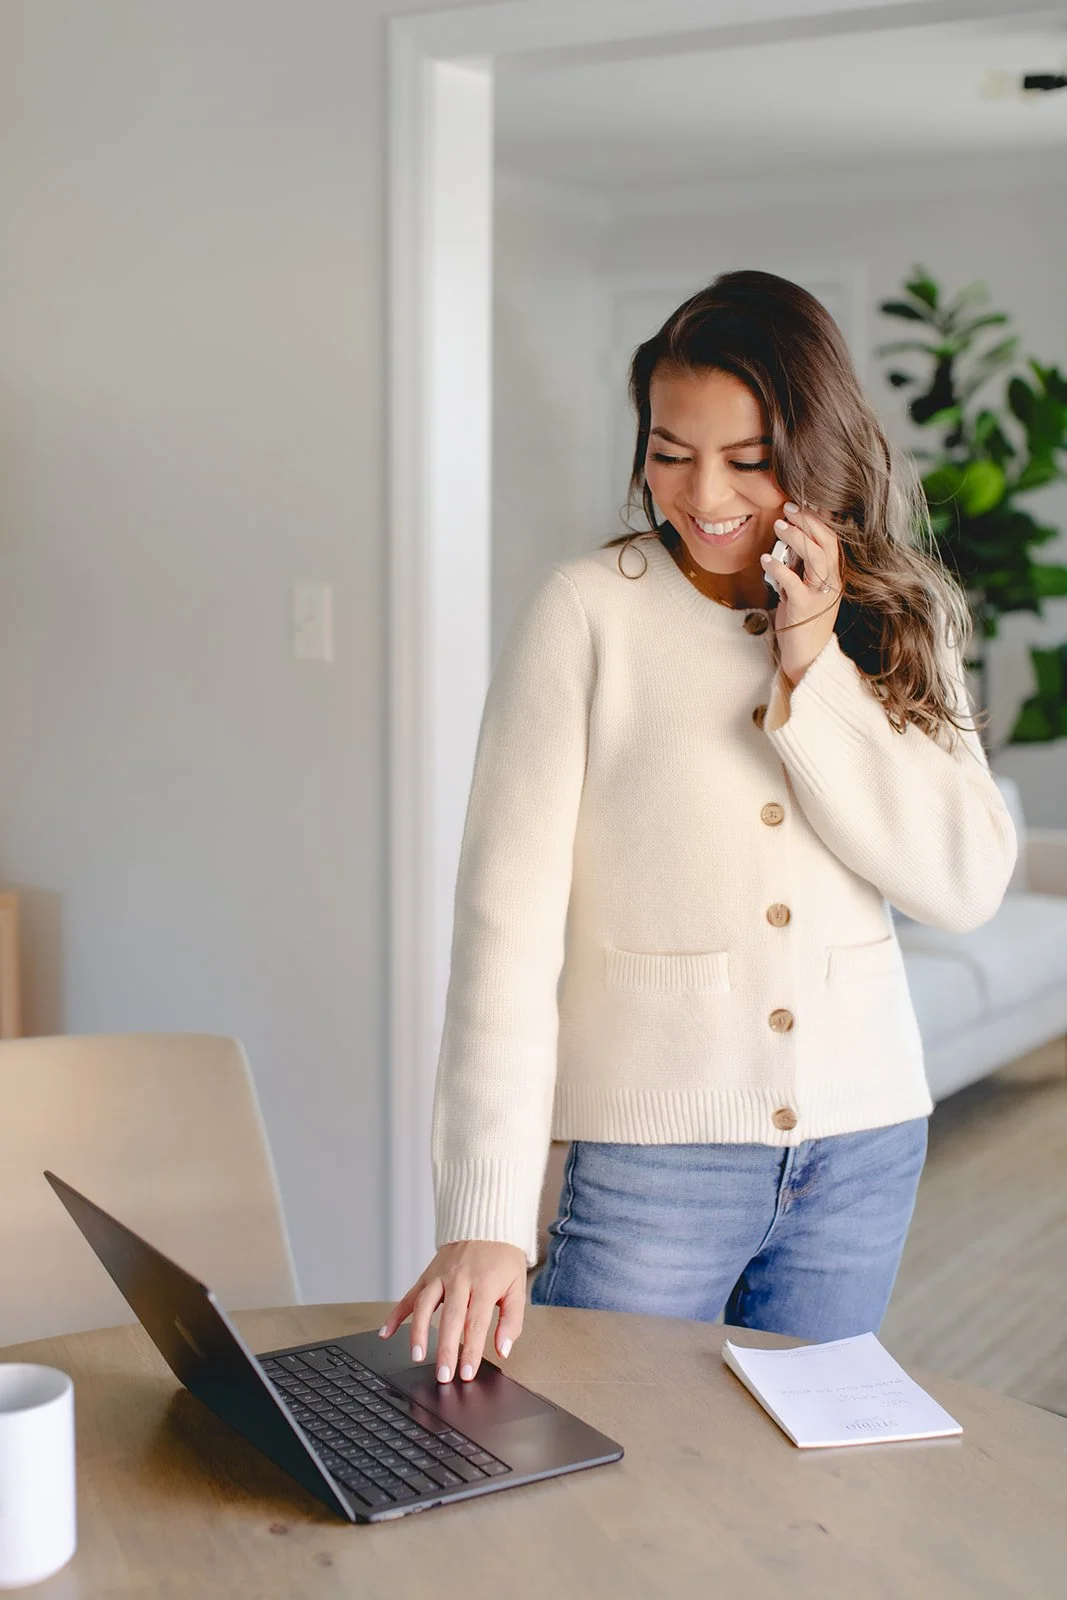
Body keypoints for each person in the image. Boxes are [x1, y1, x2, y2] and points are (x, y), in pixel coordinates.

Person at [380, 269, 1017, 1387]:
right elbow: (504, 931)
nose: (701, 492)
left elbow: (960, 882)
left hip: (862, 1148)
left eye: (747, 458)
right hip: (648, 1160)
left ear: (813, 451)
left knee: (798, 1491)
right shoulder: (585, 612)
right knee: (599, 1472)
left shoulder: (897, 619)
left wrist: (812, 665)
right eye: (669, 452)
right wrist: (483, 1205)